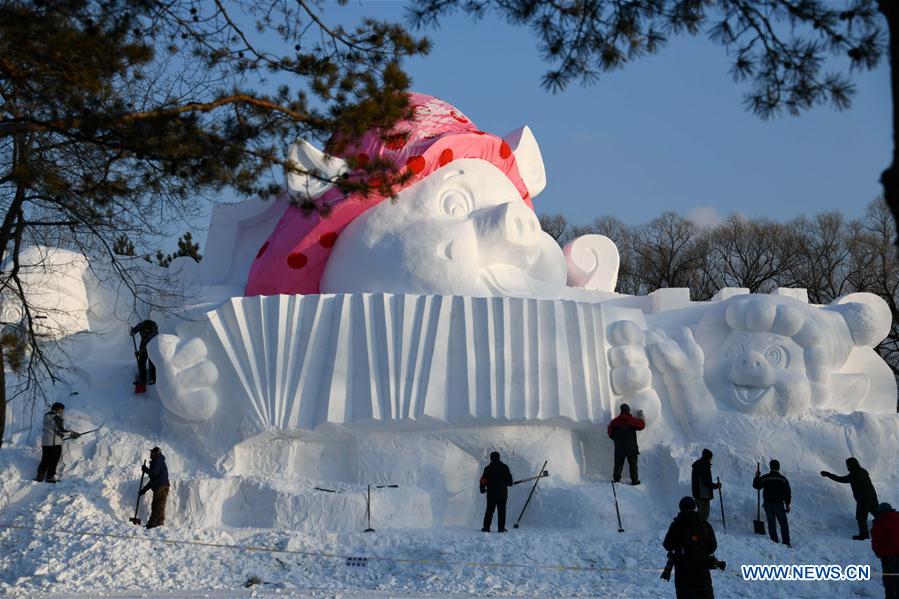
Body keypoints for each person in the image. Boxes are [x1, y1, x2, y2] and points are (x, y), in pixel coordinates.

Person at [663, 496, 718, 599]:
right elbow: (713, 547)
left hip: (683, 576)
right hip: (702, 574)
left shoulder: (676, 525)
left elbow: (667, 545)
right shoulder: (704, 524)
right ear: (694, 507)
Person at [821, 457, 879, 539]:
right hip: (872, 495)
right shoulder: (863, 471)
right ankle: (886, 526)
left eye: (847, 465)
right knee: (876, 512)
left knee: (861, 517)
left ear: (851, 465)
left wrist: (828, 474)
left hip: (863, 499)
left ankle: (864, 534)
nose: (847, 467)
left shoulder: (854, 475)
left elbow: (841, 479)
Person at [34, 402, 79, 483]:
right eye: (61, 410)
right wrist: (73, 434)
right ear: (57, 409)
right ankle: (50, 477)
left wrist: (60, 436)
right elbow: (61, 430)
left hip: (46, 443)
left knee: (45, 460)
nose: (62, 412)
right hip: (54, 444)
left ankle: (40, 477)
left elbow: (53, 429)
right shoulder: (56, 418)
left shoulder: (46, 416)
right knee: (53, 461)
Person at [753, 459, 791, 547]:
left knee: (771, 522)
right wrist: (787, 504)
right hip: (779, 504)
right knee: (783, 523)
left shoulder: (765, 478)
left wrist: (757, 477)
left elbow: (757, 486)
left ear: (770, 467)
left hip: (768, 504)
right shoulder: (783, 479)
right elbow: (787, 493)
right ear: (779, 467)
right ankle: (786, 542)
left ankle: (774, 541)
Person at [607, 403, 645, 485]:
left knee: (618, 464)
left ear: (621, 411)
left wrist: (615, 439)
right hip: (631, 447)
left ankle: (616, 480)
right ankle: (634, 480)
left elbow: (609, 432)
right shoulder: (632, 420)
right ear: (628, 411)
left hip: (619, 448)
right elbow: (642, 425)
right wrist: (640, 416)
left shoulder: (615, 422)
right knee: (633, 464)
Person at [480, 451, 513, 532]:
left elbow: (483, 481)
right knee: (502, 511)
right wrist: (505, 483)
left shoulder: (487, 469)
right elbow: (510, 482)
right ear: (499, 458)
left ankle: (486, 527)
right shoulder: (505, 467)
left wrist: (482, 489)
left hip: (491, 494)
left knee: (489, 511)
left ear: (491, 458)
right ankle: (501, 528)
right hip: (502, 494)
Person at [871, 502, 899, 599]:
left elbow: (876, 540)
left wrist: (878, 553)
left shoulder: (880, 522)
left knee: (889, 579)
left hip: (888, 556)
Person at [140, 446, 170, 529]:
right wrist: (144, 490)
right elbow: (153, 479)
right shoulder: (157, 461)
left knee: (157, 506)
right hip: (161, 486)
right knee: (158, 506)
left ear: (155, 453)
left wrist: (146, 470)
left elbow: (153, 473)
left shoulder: (157, 460)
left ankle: (152, 525)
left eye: (152, 452)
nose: (150, 454)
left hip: (161, 486)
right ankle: (158, 524)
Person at [691, 449, 721, 521]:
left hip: (699, 493)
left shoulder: (700, 464)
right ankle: (700, 527)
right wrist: (716, 486)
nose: (711, 459)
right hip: (702, 494)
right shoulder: (703, 466)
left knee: (701, 514)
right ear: (708, 458)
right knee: (703, 514)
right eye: (711, 458)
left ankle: (699, 526)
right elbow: (706, 482)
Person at [130, 319, 159, 386]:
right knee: (141, 361)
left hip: (153, 344)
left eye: (148, 330)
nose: (146, 331)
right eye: (145, 330)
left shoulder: (154, 331)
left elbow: (148, 344)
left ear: (150, 329)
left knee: (151, 362)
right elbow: (135, 329)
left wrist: (140, 351)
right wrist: (133, 332)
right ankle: (142, 378)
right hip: (143, 342)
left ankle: (152, 378)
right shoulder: (141, 325)